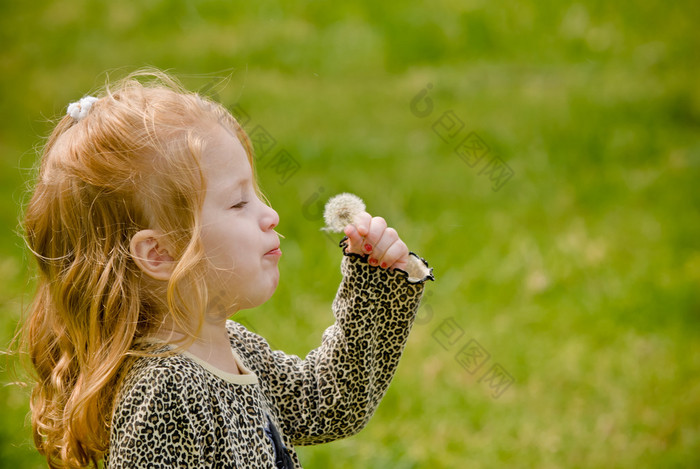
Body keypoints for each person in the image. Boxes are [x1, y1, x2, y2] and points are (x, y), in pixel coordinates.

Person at [20, 70, 434, 468]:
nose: (270, 214)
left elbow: (327, 402)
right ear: (159, 253)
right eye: (238, 203)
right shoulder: (164, 393)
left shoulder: (224, 343)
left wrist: (376, 283)